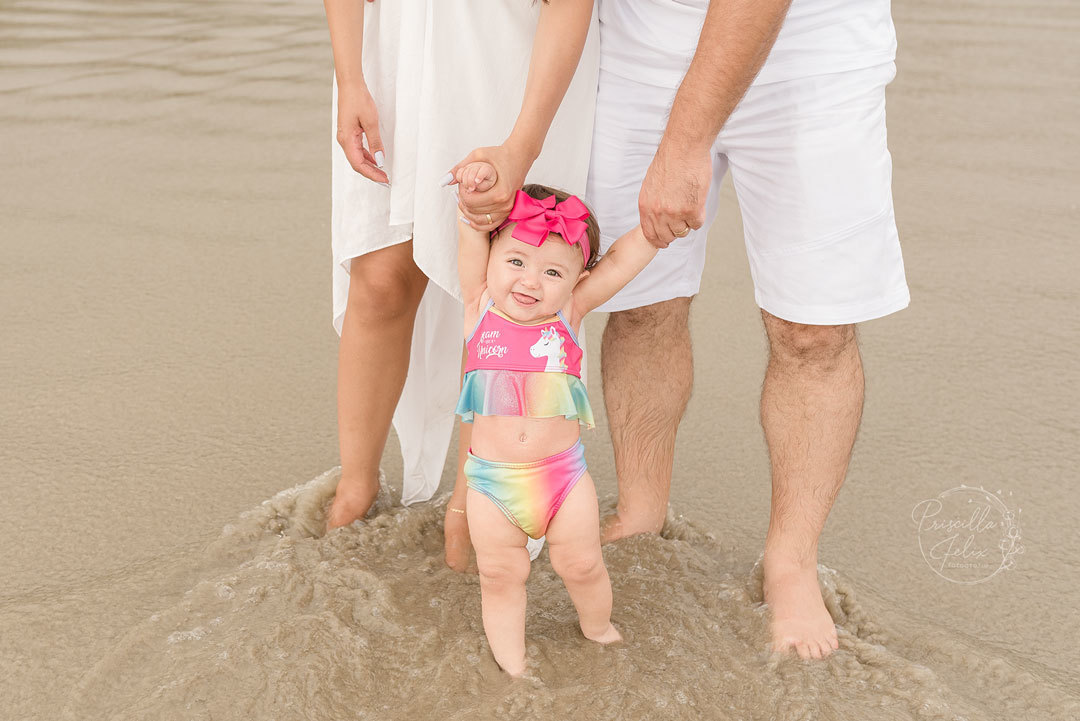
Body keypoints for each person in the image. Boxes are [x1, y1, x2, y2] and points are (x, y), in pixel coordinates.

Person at [584, 0, 911, 660]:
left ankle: (790, 561)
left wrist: (684, 143)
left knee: (811, 329)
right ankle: (643, 512)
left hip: (814, 49)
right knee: (642, 301)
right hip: (639, 40)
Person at [321, 0, 598, 574]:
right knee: (379, 279)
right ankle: (357, 485)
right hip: (390, 56)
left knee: (512, 294)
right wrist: (350, 77)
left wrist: (521, 146)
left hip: (503, 64)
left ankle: (477, 501)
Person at [452, 165, 657, 675]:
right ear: (494, 260)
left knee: (582, 565)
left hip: (562, 478)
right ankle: (514, 669)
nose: (530, 281)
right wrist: (475, 190)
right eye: (516, 260)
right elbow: (471, 228)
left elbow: (620, 263)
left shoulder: (569, 315)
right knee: (500, 574)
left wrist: (656, 231)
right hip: (491, 483)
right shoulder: (479, 307)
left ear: (574, 282)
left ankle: (598, 628)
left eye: (552, 272)